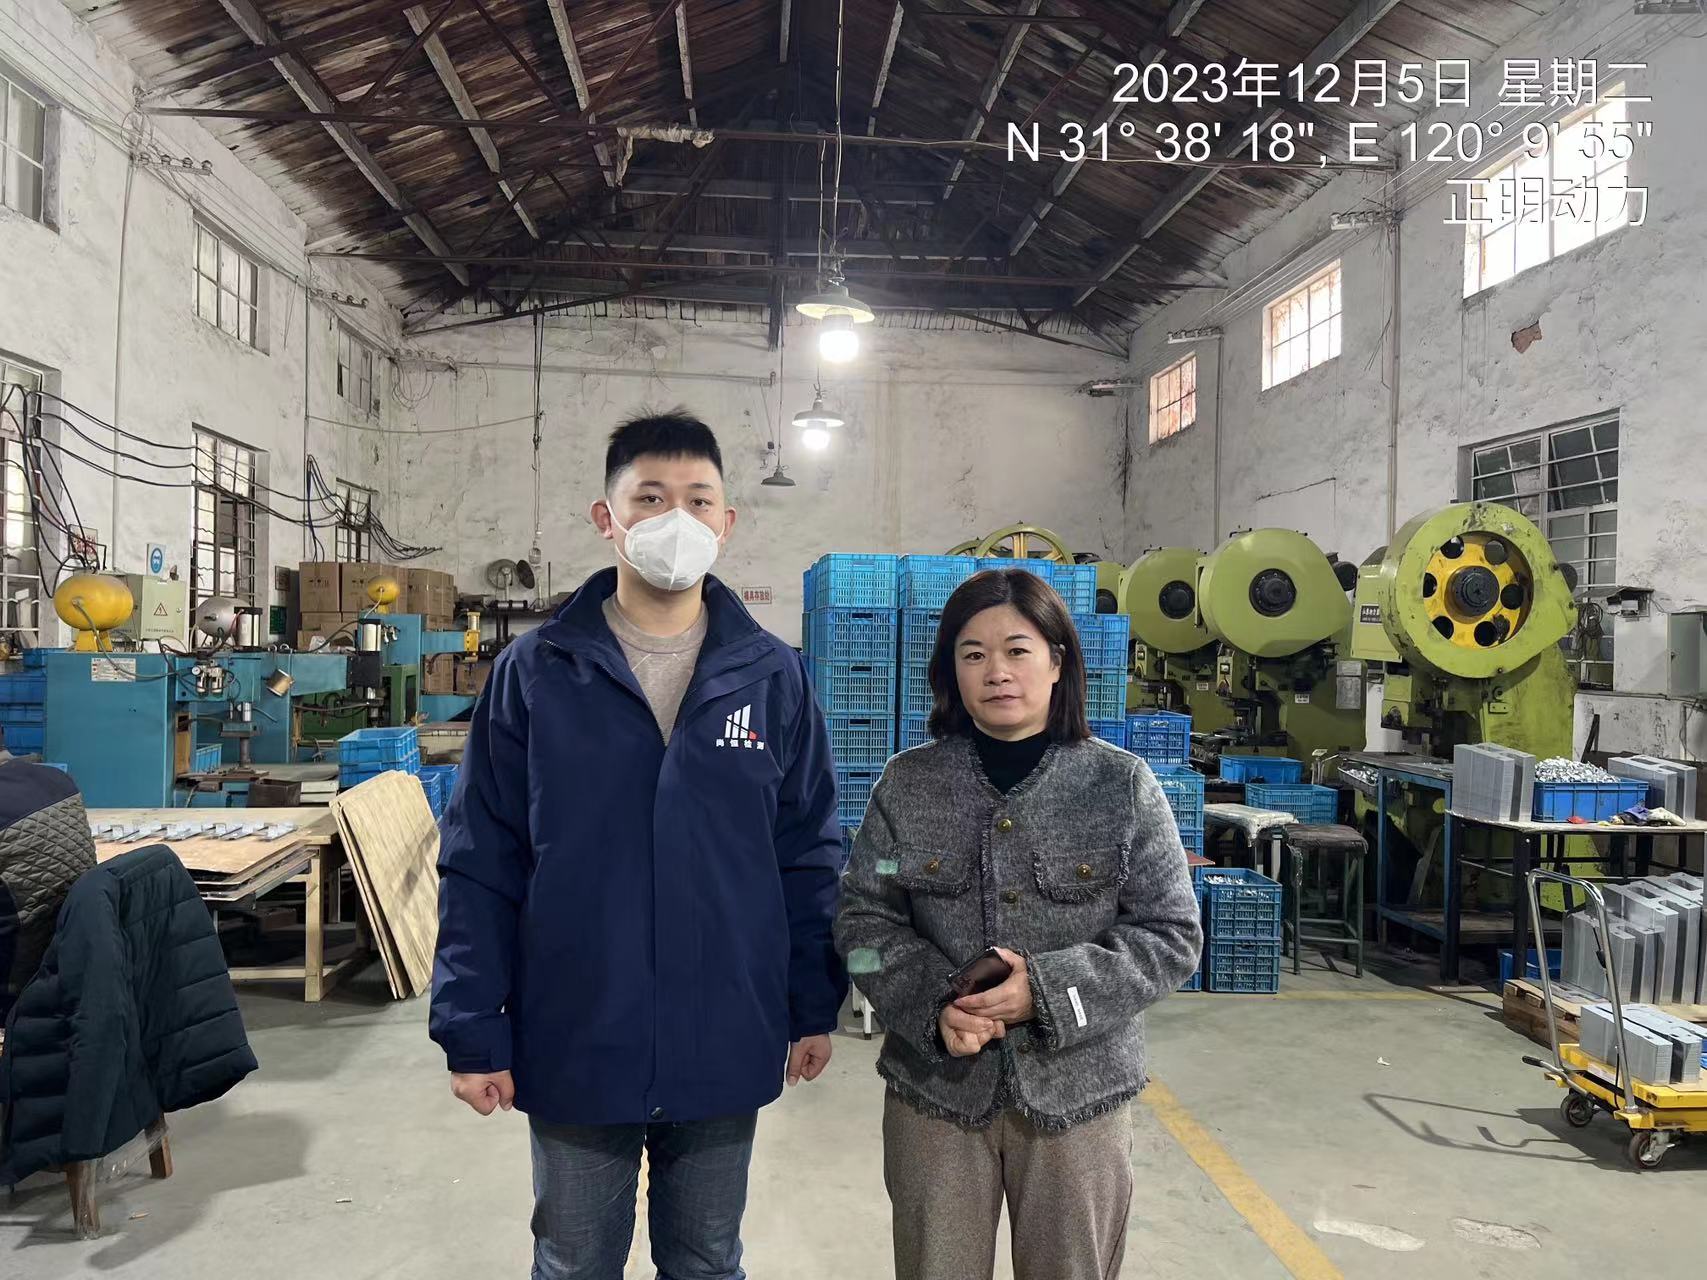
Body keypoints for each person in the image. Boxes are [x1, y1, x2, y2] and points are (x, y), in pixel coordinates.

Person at [431, 410, 847, 1280]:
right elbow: (481, 860)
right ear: (606, 517)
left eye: (698, 500)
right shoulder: (536, 673)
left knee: (706, 1261)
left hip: (723, 1024)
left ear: (726, 523)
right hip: (577, 1023)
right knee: (575, 1260)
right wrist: (471, 1027)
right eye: (650, 498)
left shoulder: (772, 676)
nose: (676, 519)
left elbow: (807, 853)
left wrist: (813, 1001)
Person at [834, 568, 1202, 1280]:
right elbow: (862, 924)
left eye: (1017, 650)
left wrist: (1048, 990)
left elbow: (1171, 935)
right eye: (972, 654)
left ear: (1057, 662)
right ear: (951, 672)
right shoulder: (906, 786)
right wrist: (933, 1004)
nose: (995, 671)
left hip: (1080, 1098)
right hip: (934, 1095)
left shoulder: (1120, 787)